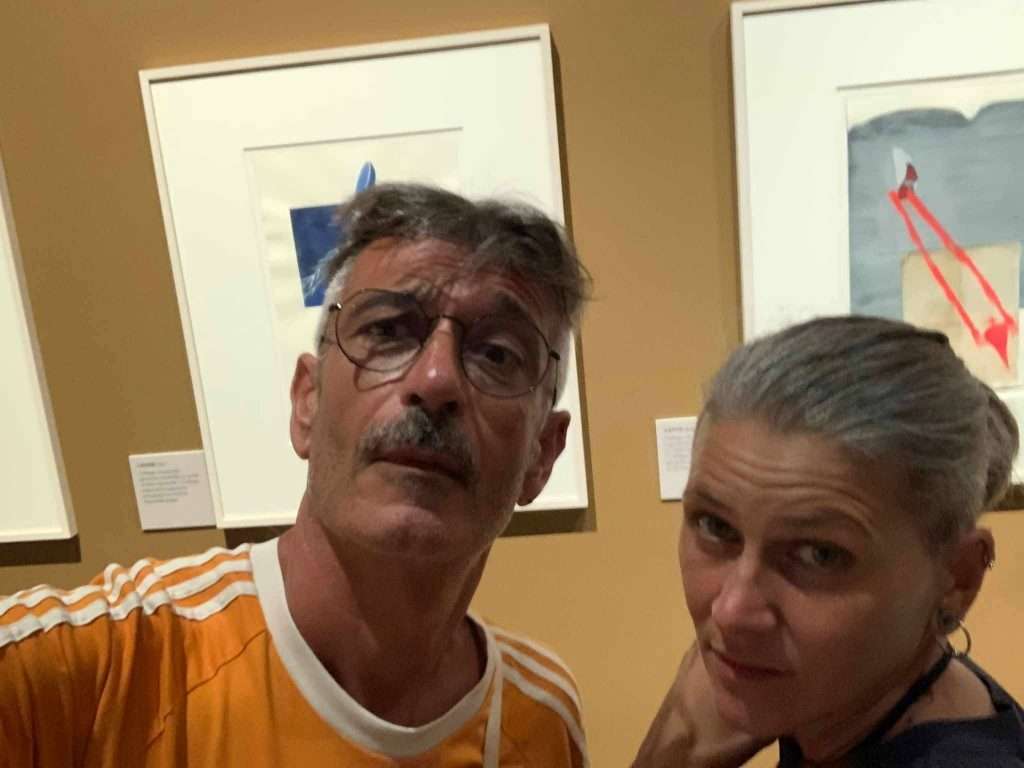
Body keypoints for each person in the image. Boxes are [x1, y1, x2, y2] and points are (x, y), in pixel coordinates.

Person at [0, 184, 590, 767]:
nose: (435, 380)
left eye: (497, 354)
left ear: (542, 453)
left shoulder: (540, 722)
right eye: (388, 330)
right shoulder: (93, 673)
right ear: (307, 401)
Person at [634, 315, 1024, 767]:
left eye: (819, 555)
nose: (732, 612)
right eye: (715, 527)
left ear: (957, 578)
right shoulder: (848, 703)